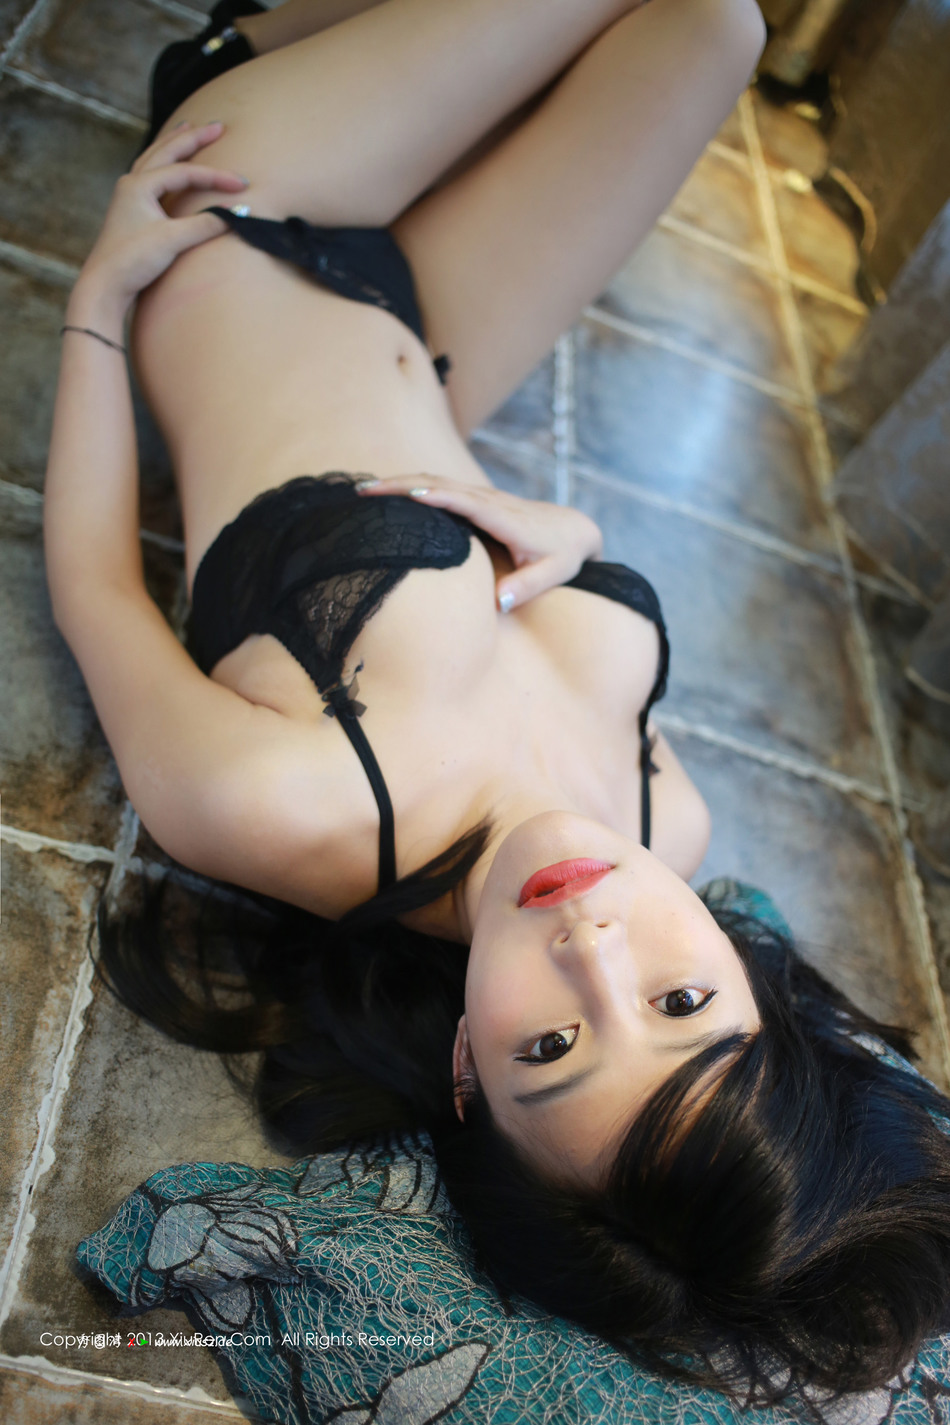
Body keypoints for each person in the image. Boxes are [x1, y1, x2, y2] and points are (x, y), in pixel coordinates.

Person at [44, 0, 950, 1402]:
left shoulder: (275, 806)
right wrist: (566, 538)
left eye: (553, 1045)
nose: (591, 944)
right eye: (678, 998)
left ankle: (254, 36)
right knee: (716, 26)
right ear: (752, 988)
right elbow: (554, 620)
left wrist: (102, 293)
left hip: (241, 217)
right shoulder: (668, 821)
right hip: (432, 335)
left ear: (467, 1069)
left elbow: (97, 590)